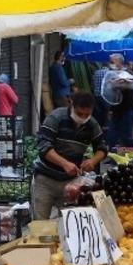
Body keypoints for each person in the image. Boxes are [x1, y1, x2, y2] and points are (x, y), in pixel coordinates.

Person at [30, 91, 108, 220]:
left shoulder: (92, 124)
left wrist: (93, 161)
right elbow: (43, 146)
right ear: (72, 105)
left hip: (70, 183)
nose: (82, 118)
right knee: (39, 223)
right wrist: (64, 163)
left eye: (86, 115)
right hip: (45, 179)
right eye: (79, 113)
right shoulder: (56, 117)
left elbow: (102, 149)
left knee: (69, 224)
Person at [96, 53, 133, 147]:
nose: (110, 64)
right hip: (115, 109)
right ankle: (111, 156)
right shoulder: (111, 74)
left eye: (112, 62)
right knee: (112, 136)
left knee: (126, 136)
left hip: (127, 108)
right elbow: (109, 89)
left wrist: (117, 84)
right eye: (110, 62)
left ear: (119, 62)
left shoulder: (128, 73)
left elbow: (130, 84)